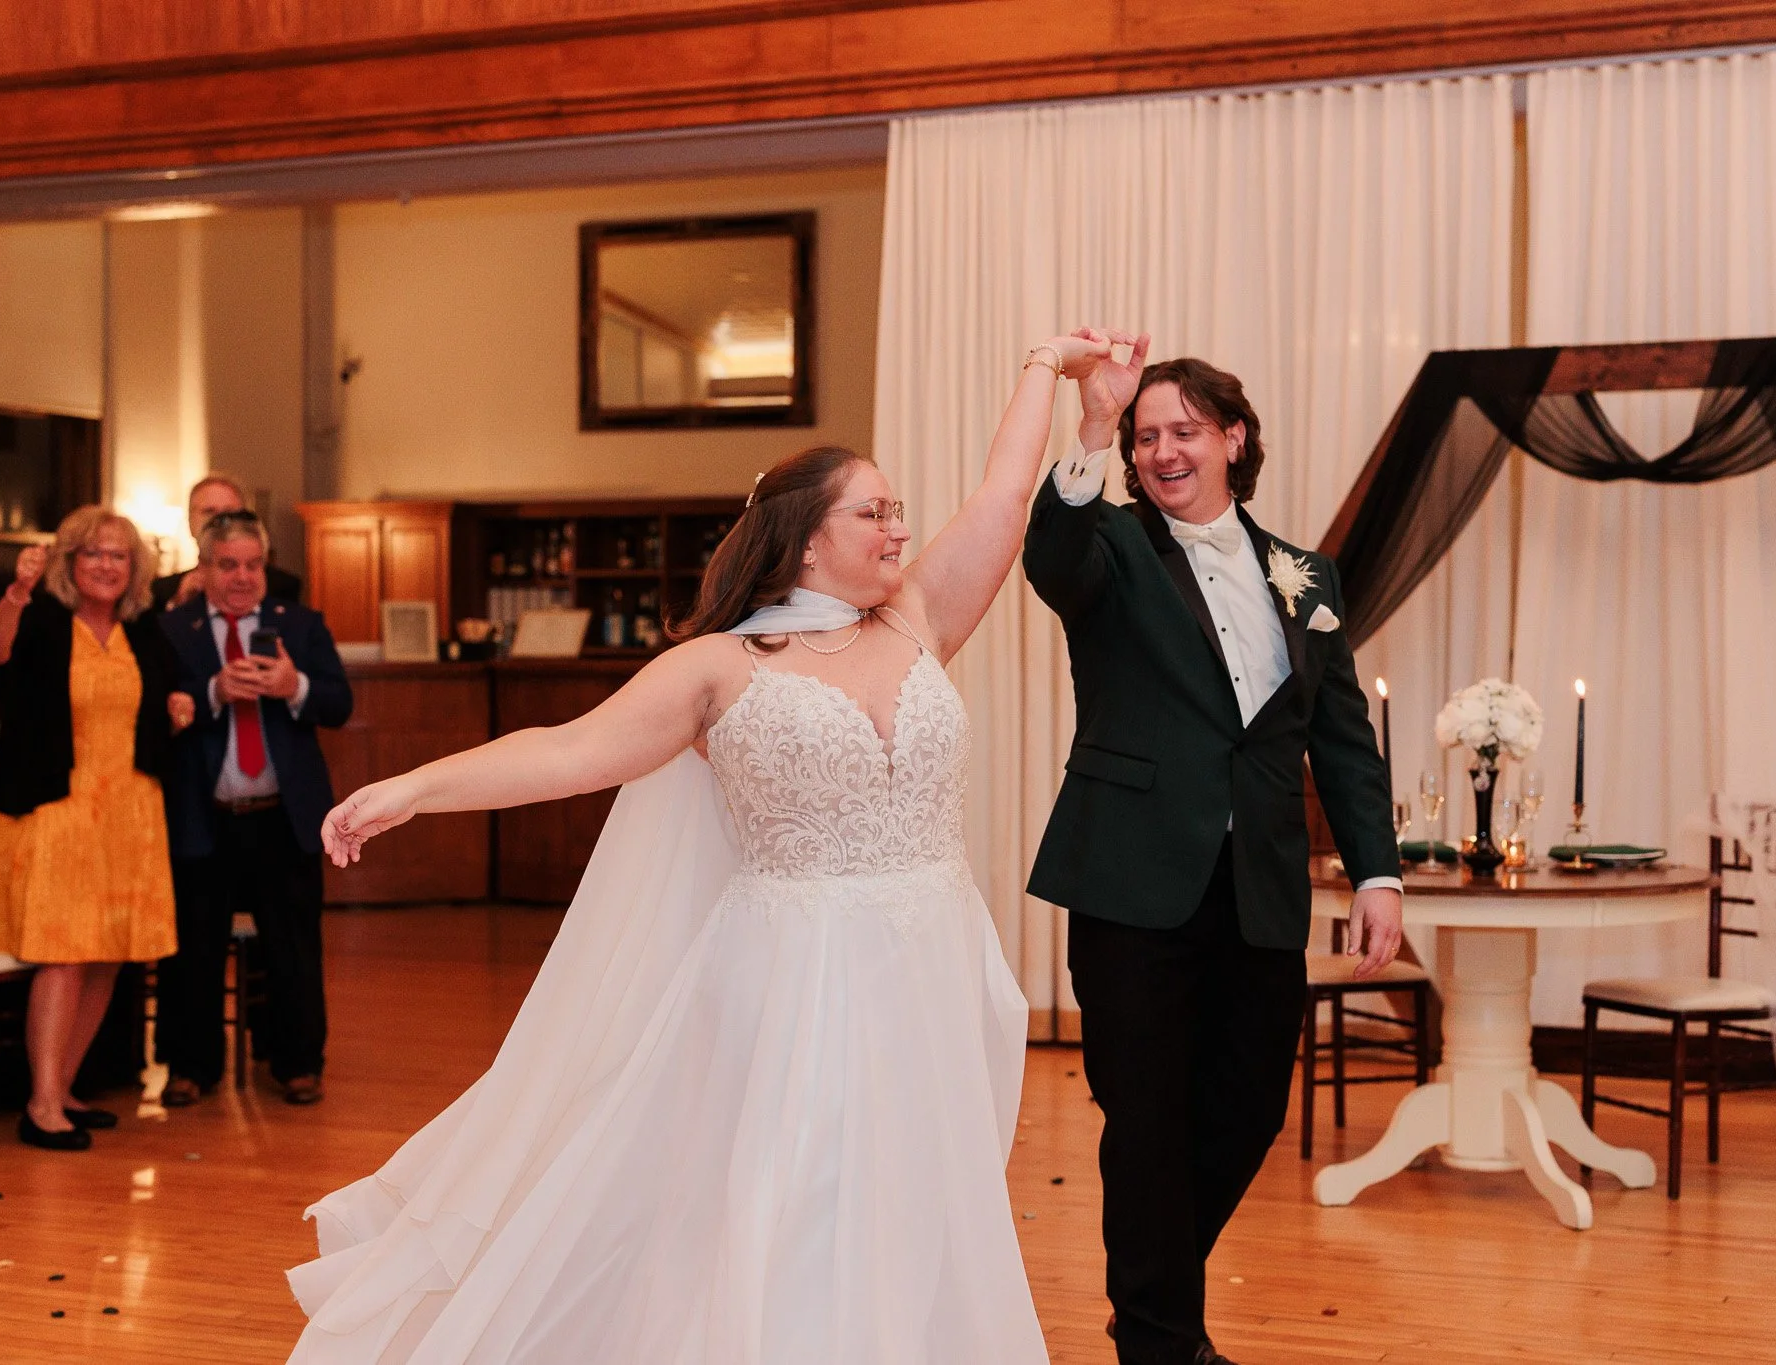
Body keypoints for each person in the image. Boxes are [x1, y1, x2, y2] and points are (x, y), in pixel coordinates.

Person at [284, 328, 1137, 1362]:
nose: (900, 529)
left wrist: (1047, 370)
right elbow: (568, 750)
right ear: (806, 539)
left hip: (931, 962)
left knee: (917, 1197)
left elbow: (1003, 498)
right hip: (791, 977)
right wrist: (415, 788)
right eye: (873, 512)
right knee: (797, 1203)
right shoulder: (719, 667)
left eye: (900, 510)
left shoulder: (917, 617)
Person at [1022, 357, 1405, 1365]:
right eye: (1146, 436)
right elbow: (1052, 560)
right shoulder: (1110, 544)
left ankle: (1149, 1300)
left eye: (1183, 431)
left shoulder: (1307, 576)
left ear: (1234, 437)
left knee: (1249, 1109)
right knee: (1143, 1118)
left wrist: (1377, 873)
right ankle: (1162, 1343)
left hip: (1259, 888)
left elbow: (1342, 741)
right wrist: (1090, 429)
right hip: (1130, 883)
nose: (1162, 452)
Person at [0, 507, 184, 1152]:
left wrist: (178, 704)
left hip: (128, 811)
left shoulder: (142, 628)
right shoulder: (40, 617)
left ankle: (61, 1088)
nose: (106, 566)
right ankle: (40, 1106)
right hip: (55, 806)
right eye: (93, 553)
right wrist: (15, 592)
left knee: (106, 957)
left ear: (134, 568)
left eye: (118, 555)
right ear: (69, 563)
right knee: (63, 956)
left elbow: (169, 690)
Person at [157, 509, 352, 1109]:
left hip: (282, 816)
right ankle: (191, 1067)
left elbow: (339, 704)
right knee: (194, 947)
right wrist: (212, 693)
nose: (242, 577)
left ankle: (299, 1064)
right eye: (228, 565)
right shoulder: (172, 629)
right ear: (204, 568)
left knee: (293, 947)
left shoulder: (301, 624)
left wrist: (295, 687)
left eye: (253, 565)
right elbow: (154, 715)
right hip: (203, 815)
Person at [150, 474, 303, 612]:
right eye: (209, 511)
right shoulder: (163, 591)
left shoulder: (281, 587)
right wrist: (178, 604)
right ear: (190, 521)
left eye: (229, 513)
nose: (218, 521)